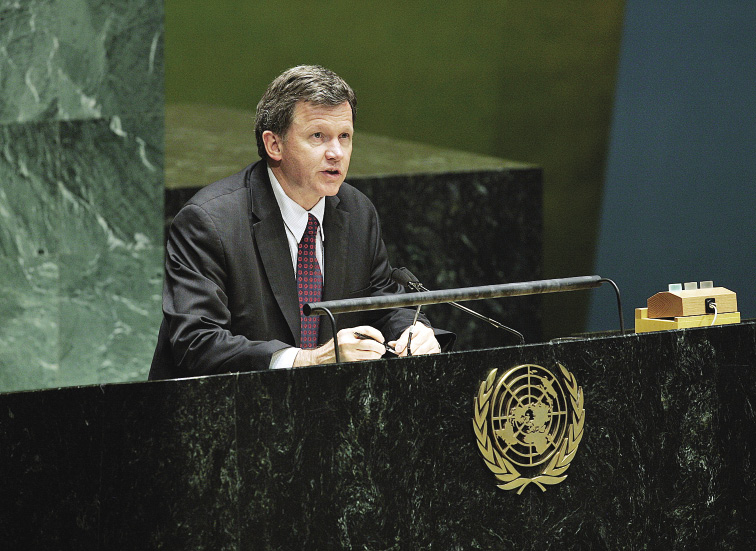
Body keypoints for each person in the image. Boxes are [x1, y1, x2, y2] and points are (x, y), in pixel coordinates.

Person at [149, 65, 453, 380]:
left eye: (344, 137)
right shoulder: (209, 223)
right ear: (274, 145)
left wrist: (413, 330)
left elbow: (385, 300)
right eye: (318, 136)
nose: (336, 153)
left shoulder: (357, 212)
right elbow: (196, 342)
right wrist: (306, 360)